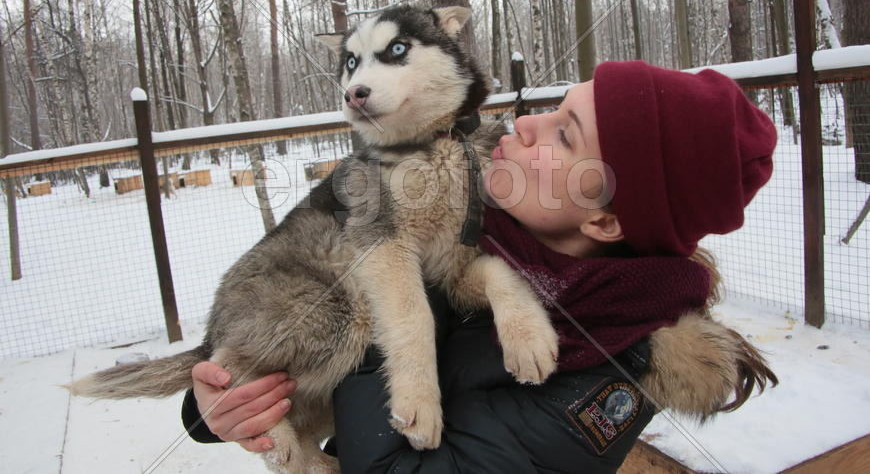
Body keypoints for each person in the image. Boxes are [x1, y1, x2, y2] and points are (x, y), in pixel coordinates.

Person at [181, 60, 779, 472]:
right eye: (553, 108)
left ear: (604, 220)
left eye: (564, 136)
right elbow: (289, 279)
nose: (524, 123)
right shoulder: (473, 207)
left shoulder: (602, 376)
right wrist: (224, 404)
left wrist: (383, 300)